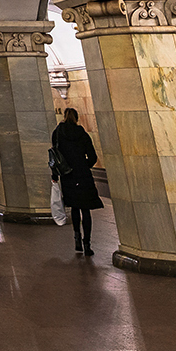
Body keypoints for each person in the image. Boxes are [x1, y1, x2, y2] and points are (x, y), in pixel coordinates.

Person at [52, 107, 103, 255]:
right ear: (77, 117)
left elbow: (54, 156)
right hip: (83, 175)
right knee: (85, 209)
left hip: (68, 175)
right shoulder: (83, 134)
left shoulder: (57, 134)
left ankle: (77, 238)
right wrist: (83, 166)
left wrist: (56, 174)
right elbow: (92, 156)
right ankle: (87, 243)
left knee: (74, 207)